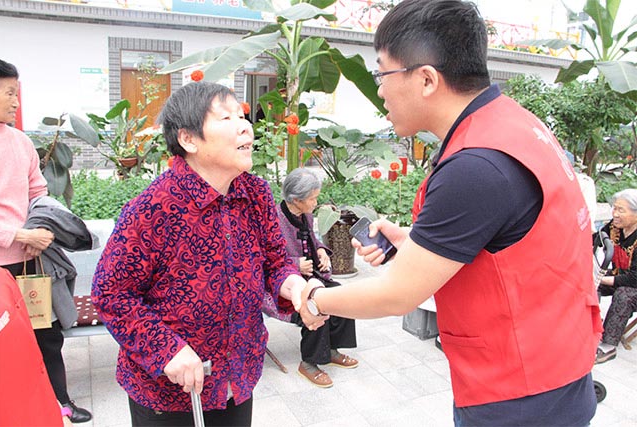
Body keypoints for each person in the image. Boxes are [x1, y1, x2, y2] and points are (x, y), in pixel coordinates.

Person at [298, 1, 601, 426]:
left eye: (382, 74)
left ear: (426, 79)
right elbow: (510, 236)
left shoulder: (475, 166)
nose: (379, 90)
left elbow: (397, 296)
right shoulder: (512, 124)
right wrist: (418, 244)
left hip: (518, 395)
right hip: (557, 365)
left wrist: (315, 297)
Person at [91, 81, 324, 427]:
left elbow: (276, 262)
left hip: (237, 377)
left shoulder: (256, 194)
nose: (245, 126)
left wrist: (296, 287)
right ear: (189, 139)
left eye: (242, 116)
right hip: (170, 394)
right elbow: (110, 293)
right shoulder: (153, 208)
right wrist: (166, 349)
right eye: (226, 118)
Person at [0, 57, 92, 424]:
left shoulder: (20, 142)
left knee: (47, 336)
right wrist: (17, 234)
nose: (16, 101)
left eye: (16, 92)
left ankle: (59, 402)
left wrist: (42, 229)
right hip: (0, 269)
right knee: (5, 342)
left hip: (30, 261)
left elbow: (38, 192)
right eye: (9, 93)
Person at [276, 168, 358, 388]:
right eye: (312, 198)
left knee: (341, 294)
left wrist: (320, 250)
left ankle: (331, 350)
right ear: (296, 200)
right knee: (316, 303)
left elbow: (313, 238)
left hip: (311, 276)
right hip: (284, 285)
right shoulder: (273, 220)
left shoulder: (305, 214)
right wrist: (295, 264)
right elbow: (265, 259)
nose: (315, 202)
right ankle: (309, 363)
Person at [0, 266, 73, 427]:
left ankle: (62, 400)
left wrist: (57, 410)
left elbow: (32, 358)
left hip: (38, 408)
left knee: (47, 343)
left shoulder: (2, 279)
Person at [595, 189, 637, 364]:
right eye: (615, 208)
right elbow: (596, 239)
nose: (615, 214)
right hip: (621, 275)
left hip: (634, 284)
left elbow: (634, 279)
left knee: (623, 295)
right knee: (590, 283)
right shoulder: (615, 227)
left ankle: (608, 346)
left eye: (621, 210)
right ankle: (589, 325)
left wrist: (600, 278)